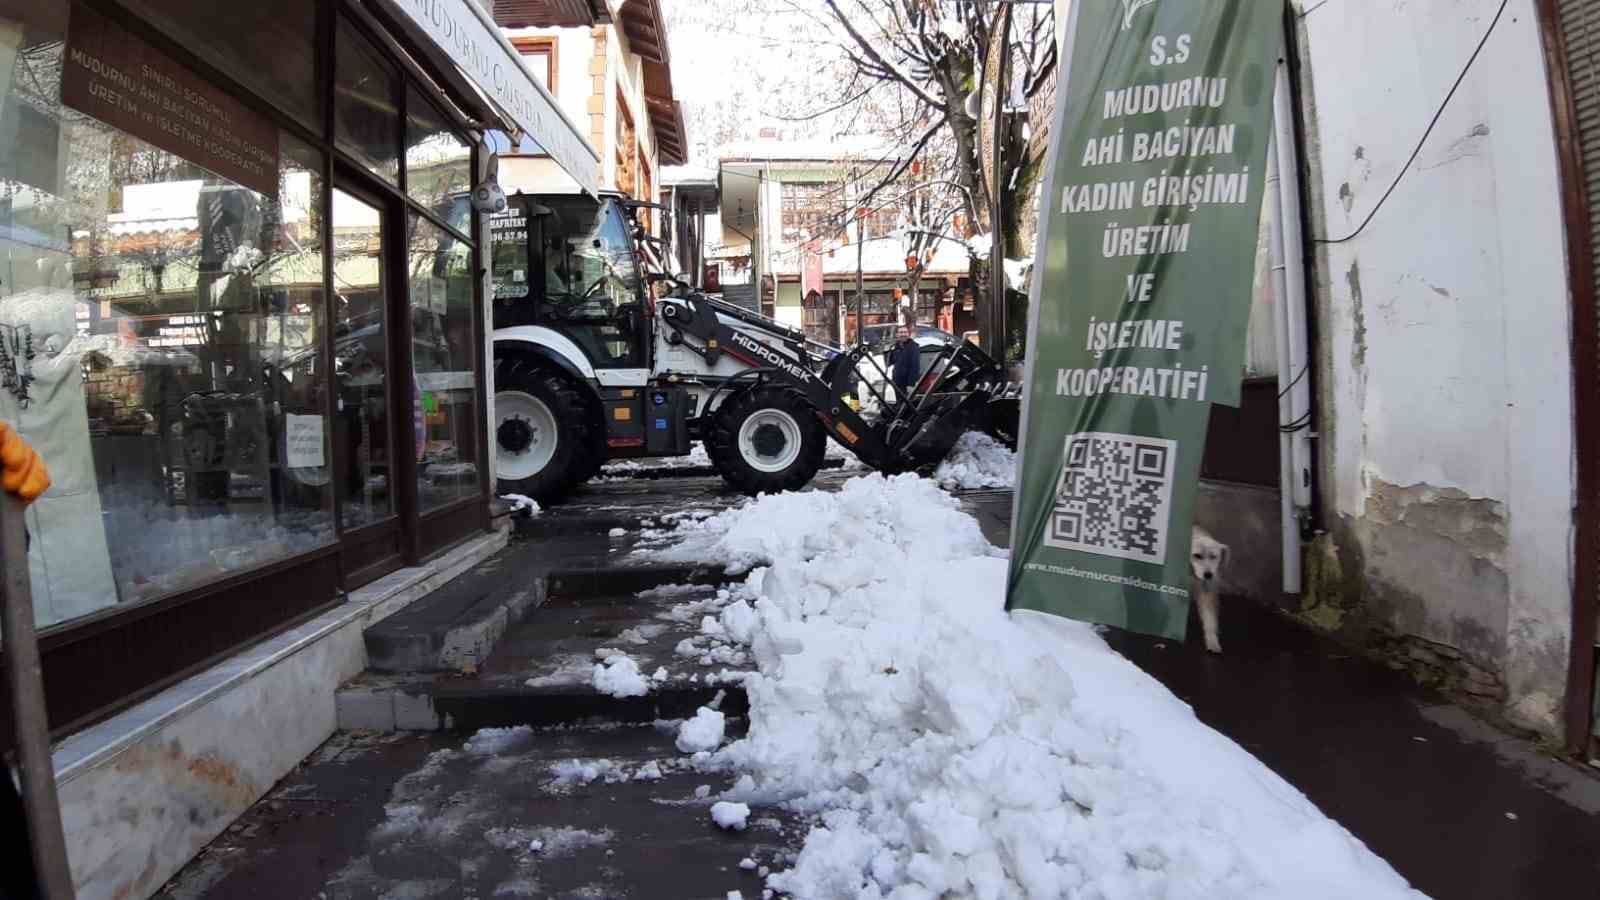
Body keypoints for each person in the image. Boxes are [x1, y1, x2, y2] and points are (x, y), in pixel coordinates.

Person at [888, 324, 921, 402]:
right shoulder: (895, 347)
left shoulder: (913, 347)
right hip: (897, 382)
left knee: (907, 404)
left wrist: (911, 384)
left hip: (907, 383)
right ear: (897, 334)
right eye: (901, 332)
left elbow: (915, 367)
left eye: (905, 332)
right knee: (899, 403)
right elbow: (889, 362)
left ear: (908, 334)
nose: (903, 334)